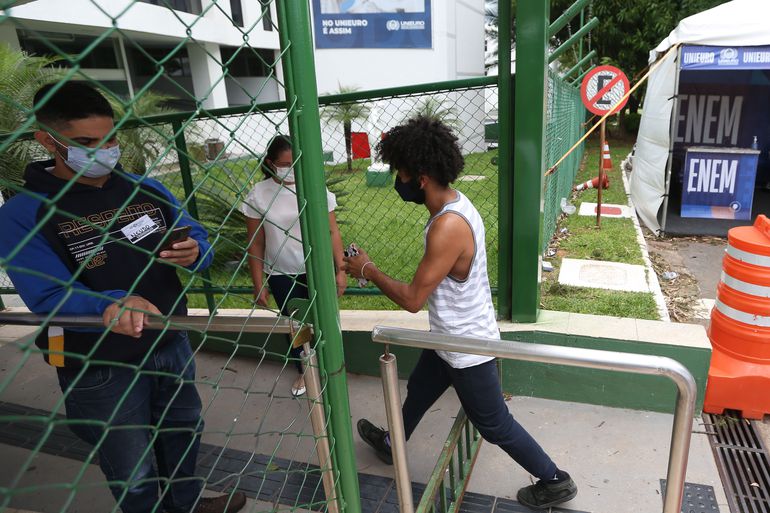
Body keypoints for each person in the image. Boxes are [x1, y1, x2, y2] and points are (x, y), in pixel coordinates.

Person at [0, 82, 246, 513]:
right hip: (99, 362)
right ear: (47, 140)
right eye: (85, 143)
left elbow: (196, 237)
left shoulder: (145, 190)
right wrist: (111, 303)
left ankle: (185, 504)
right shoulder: (24, 214)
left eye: (109, 138)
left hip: (170, 341)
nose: (104, 150)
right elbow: (48, 293)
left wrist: (195, 251)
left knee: (183, 433)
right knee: (130, 464)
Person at [344, 116, 578, 511]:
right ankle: (390, 443)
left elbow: (414, 297)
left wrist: (366, 269)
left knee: (493, 423)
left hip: (467, 346)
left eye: (400, 172)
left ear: (419, 178)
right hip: (445, 339)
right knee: (418, 390)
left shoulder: (447, 227)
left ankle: (554, 480)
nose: (396, 181)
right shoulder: (453, 205)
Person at [242, 134, 347, 396]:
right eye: (284, 163)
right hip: (281, 272)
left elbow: (332, 231)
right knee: (296, 324)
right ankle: (305, 372)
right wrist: (258, 284)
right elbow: (255, 243)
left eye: (295, 162)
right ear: (270, 163)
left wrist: (340, 269)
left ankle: (331, 368)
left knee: (325, 320)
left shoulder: (314, 187)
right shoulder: (258, 194)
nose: (291, 169)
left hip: (317, 269)